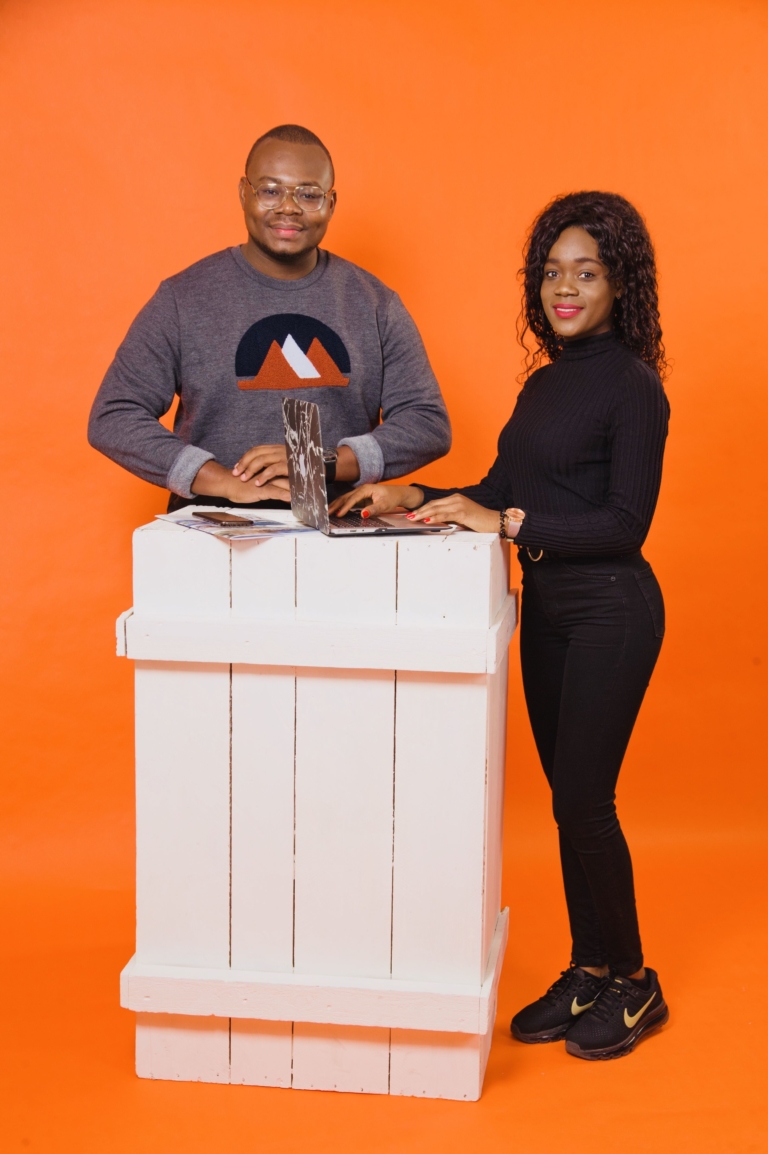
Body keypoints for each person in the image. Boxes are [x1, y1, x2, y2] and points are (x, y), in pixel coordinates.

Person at [330, 191, 670, 1062]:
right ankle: (589, 968)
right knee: (566, 803)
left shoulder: (634, 387)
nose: (565, 289)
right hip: (549, 610)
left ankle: (635, 982)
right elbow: (498, 488)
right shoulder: (546, 383)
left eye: (586, 273)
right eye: (552, 273)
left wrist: (509, 524)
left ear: (620, 285)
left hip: (612, 611)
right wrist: (413, 494)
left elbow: (623, 523)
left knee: (586, 801)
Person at [88, 125, 451, 509]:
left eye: (308, 194)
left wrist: (320, 462)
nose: (288, 207)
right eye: (270, 190)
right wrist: (221, 481)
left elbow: (427, 423)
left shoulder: (376, 303)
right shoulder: (182, 298)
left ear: (331, 204)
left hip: (335, 528)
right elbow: (114, 416)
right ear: (244, 193)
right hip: (211, 531)